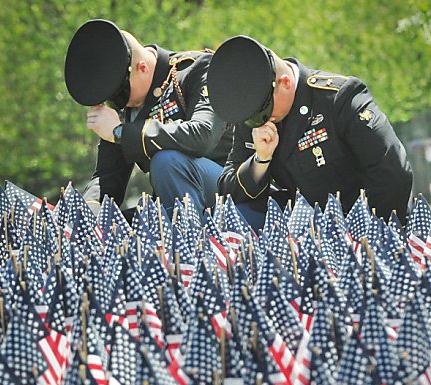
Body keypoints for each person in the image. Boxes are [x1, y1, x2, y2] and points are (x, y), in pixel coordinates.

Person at [209, 35, 413, 229]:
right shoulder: (255, 114)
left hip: (357, 223)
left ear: (285, 83)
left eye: (262, 112)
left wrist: (370, 234)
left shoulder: (339, 98)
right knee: (235, 215)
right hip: (298, 229)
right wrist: (260, 160)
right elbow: (227, 191)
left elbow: (393, 172)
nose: (259, 121)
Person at [65, 19, 232, 218]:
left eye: (121, 94)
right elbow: (107, 179)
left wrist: (121, 133)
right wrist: (89, 211)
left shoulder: (198, 69)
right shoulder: (127, 106)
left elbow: (203, 134)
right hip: (173, 203)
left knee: (168, 160)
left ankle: (191, 241)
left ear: (142, 68)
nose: (120, 104)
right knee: (115, 223)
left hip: (227, 190)